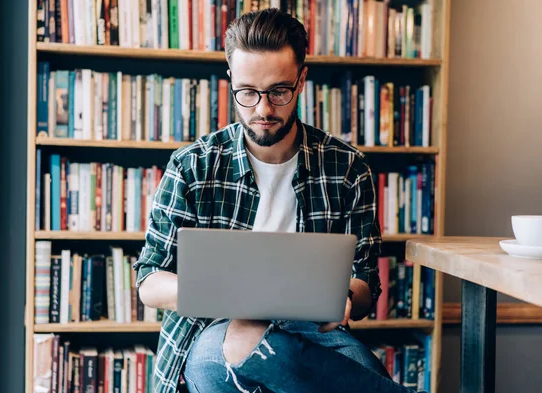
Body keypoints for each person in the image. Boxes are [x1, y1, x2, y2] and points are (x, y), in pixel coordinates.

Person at [133, 8, 423, 393]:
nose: (263, 109)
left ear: (301, 81)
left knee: (348, 363)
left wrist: (347, 297)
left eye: (278, 91)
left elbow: (365, 282)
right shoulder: (192, 166)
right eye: (248, 93)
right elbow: (149, 280)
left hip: (314, 333)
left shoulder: (348, 167)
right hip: (213, 327)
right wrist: (218, 291)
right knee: (216, 363)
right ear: (231, 80)